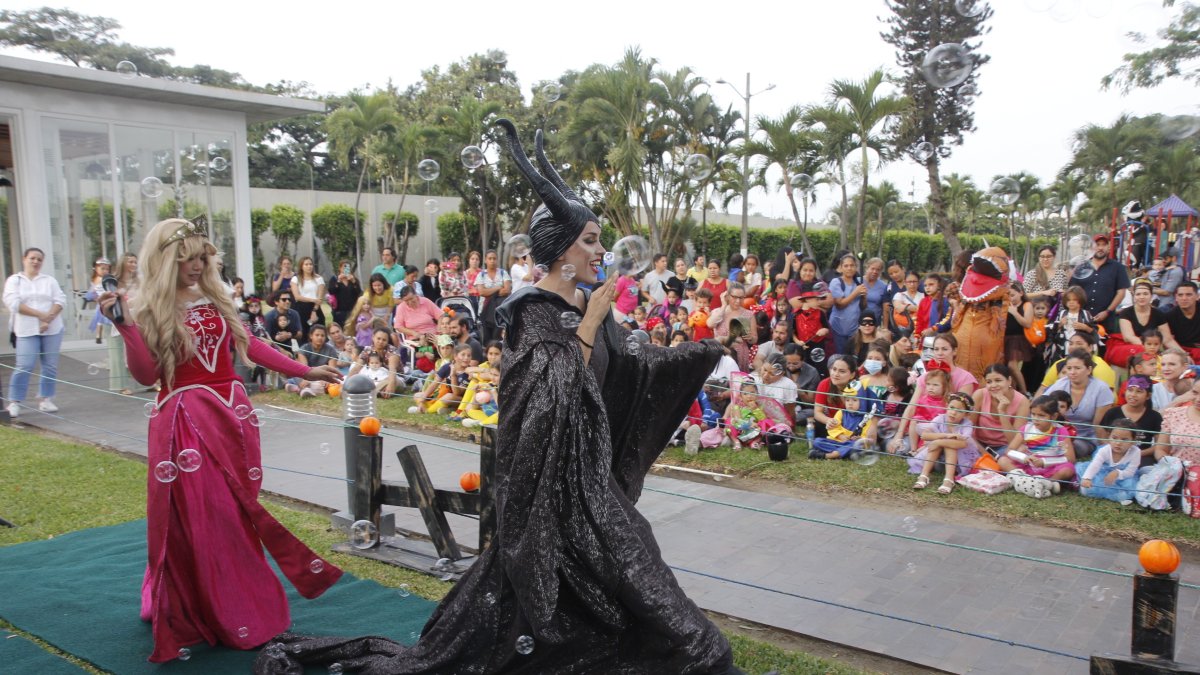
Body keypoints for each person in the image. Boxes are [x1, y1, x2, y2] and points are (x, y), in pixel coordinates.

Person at [263, 120, 742, 673]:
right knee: (667, 615)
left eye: (599, 239)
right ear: (558, 249)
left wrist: (708, 349)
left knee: (622, 595)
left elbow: (633, 366)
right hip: (549, 491)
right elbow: (548, 394)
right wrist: (589, 324)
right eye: (590, 240)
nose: (600, 250)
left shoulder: (589, 304)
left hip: (589, 481)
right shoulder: (533, 312)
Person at [97, 218, 342, 663]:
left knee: (236, 512)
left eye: (201, 257)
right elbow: (147, 374)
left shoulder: (215, 296)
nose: (196, 265)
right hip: (185, 422)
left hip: (232, 415)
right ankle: (218, 608)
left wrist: (305, 370)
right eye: (186, 258)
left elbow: (249, 344)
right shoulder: (146, 306)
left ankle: (237, 600)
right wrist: (126, 327)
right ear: (166, 260)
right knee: (206, 516)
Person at [4, 247, 67, 417]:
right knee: (25, 365)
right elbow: (14, 303)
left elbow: (60, 300)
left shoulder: (49, 280)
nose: (35, 262)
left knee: (50, 365)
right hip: (26, 330)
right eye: (32, 258)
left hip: (52, 329)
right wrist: (41, 315)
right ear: (24, 259)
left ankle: (46, 398)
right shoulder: (14, 280)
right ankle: (15, 401)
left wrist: (48, 319)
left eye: (39, 259)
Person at [998, 395, 1077, 498]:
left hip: (1051, 467)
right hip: (1029, 465)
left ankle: (1046, 483)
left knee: (1068, 470)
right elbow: (1009, 450)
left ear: (1054, 416)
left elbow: (1070, 458)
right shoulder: (1026, 429)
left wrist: (1044, 462)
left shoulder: (1060, 431)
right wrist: (1024, 458)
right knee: (1003, 460)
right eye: (1033, 414)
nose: (1036, 419)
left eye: (1041, 415)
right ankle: (1027, 480)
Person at [1044, 349, 1115, 458]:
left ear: (1089, 370)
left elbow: (1098, 425)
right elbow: (1043, 407)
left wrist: (1105, 450)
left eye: (1077, 368)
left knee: (1070, 447)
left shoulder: (1101, 389)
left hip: (1085, 438)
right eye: (1069, 368)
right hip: (1057, 434)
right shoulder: (1059, 385)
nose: (1072, 372)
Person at [911, 392, 977, 494]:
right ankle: (923, 476)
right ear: (947, 406)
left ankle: (949, 480)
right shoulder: (940, 419)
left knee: (950, 445)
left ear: (966, 414)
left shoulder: (966, 424)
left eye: (959, 411)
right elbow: (924, 435)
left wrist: (939, 442)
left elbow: (963, 444)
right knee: (943, 443)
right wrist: (945, 436)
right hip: (938, 458)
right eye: (952, 407)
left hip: (958, 461)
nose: (953, 412)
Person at [1069, 233, 1130, 334]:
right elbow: (1072, 290)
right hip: (1081, 318)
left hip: (1106, 320)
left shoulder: (1118, 268)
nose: (1100, 248)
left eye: (1103, 245)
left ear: (1108, 247)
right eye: (1097, 244)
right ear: (1091, 247)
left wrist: (1107, 311)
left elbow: (1121, 293)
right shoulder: (1081, 267)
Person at [1105, 278, 1173, 368]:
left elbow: (1168, 339)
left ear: (1151, 296)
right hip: (1130, 346)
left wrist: (1183, 353)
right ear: (1134, 296)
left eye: (1145, 294)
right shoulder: (1126, 313)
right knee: (1145, 352)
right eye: (1138, 294)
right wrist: (1150, 347)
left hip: (1149, 346)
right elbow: (1128, 337)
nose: (1142, 297)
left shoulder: (1158, 314)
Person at [1097, 375, 1161, 467]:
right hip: (1113, 455)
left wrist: (1137, 454)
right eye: (1130, 390)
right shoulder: (1113, 413)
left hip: (1142, 457)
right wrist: (1114, 451)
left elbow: (1159, 444)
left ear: (1148, 396)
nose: (1133, 395)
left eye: (1139, 391)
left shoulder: (1155, 417)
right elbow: (1102, 436)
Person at [971, 363, 1030, 455]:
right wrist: (986, 455)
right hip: (979, 444)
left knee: (1020, 450)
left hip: (1005, 446)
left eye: (998, 380)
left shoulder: (1022, 401)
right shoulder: (979, 395)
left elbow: (1014, 441)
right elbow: (967, 430)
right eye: (989, 382)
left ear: (1009, 381)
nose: (993, 385)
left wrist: (1002, 412)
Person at [1078, 419, 1142, 505]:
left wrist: (1117, 473)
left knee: (1131, 485)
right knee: (1091, 484)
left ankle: (1120, 495)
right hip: (1103, 473)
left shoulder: (1136, 452)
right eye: (1114, 438)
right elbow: (1095, 465)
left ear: (1133, 441)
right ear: (1109, 437)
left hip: (1123, 476)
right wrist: (1087, 478)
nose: (1118, 443)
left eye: (1124, 439)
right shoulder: (1104, 450)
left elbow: (1130, 472)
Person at [1153, 378, 1200, 466]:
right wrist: (1172, 466)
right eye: (1195, 392)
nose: (1198, 399)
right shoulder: (1174, 414)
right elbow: (1161, 449)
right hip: (1177, 471)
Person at [829, 253, 866, 354]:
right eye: (846, 266)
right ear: (841, 268)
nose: (849, 268)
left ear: (856, 267)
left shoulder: (858, 283)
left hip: (854, 329)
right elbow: (839, 304)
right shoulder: (836, 282)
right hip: (838, 328)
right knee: (839, 356)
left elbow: (863, 306)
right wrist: (856, 292)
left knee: (852, 357)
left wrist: (864, 297)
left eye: (852, 265)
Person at [474, 249, 511, 344]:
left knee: (498, 338)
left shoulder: (503, 273)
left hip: (500, 311)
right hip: (485, 310)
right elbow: (482, 292)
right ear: (485, 260)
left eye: (494, 258)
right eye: (490, 258)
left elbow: (507, 290)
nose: (492, 261)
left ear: (497, 260)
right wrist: (498, 288)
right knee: (486, 339)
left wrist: (489, 291)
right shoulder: (481, 275)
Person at [1003, 283, 1034, 393]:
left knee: (1012, 365)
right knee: (1007, 368)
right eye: (1008, 295)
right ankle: (1013, 391)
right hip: (1005, 338)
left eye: (1013, 295)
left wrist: (1015, 313)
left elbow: (1027, 323)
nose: (1010, 298)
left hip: (1017, 339)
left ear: (1021, 293)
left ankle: (1024, 392)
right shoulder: (1005, 304)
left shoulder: (1026, 305)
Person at [1164, 281, 1200, 363]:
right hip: (1180, 350)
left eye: (1188, 295)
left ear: (1197, 296)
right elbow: (1168, 340)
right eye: (1180, 295)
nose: (1184, 298)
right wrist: (1183, 354)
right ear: (1176, 297)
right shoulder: (1169, 316)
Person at [289, 256, 325, 336]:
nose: (309, 266)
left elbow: (319, 298)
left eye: (310, 264)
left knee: (318, 331)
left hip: (315, 307)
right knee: (303, 332)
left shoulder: (319, 279)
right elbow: (297, 296)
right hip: (300, 308)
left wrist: (314, 310)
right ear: (301, 266)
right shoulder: (295, 279)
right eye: (306, 264)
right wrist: (313, 300)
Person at [326, 258, 362, 328]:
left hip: (352, 310)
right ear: (340, 268)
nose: (346, 269)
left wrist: (354, 282)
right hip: (339, 310)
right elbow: (331, 291)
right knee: (340, 328)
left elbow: (359, 293)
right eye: (344, 267)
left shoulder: (354, 279)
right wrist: (338, 281)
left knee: (352, 328)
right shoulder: (334, 279)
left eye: (348, 267)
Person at [85, 256, 113, 343]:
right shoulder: (99, 279)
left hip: (105, 301)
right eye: (102, 269)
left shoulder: (102, 279)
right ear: (96, 269)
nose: (105, 271)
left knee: (100, 320)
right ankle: (100, 335)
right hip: (103, 301)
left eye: (107, 269)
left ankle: (99, 336)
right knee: (102, 319)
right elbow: (95, 292)